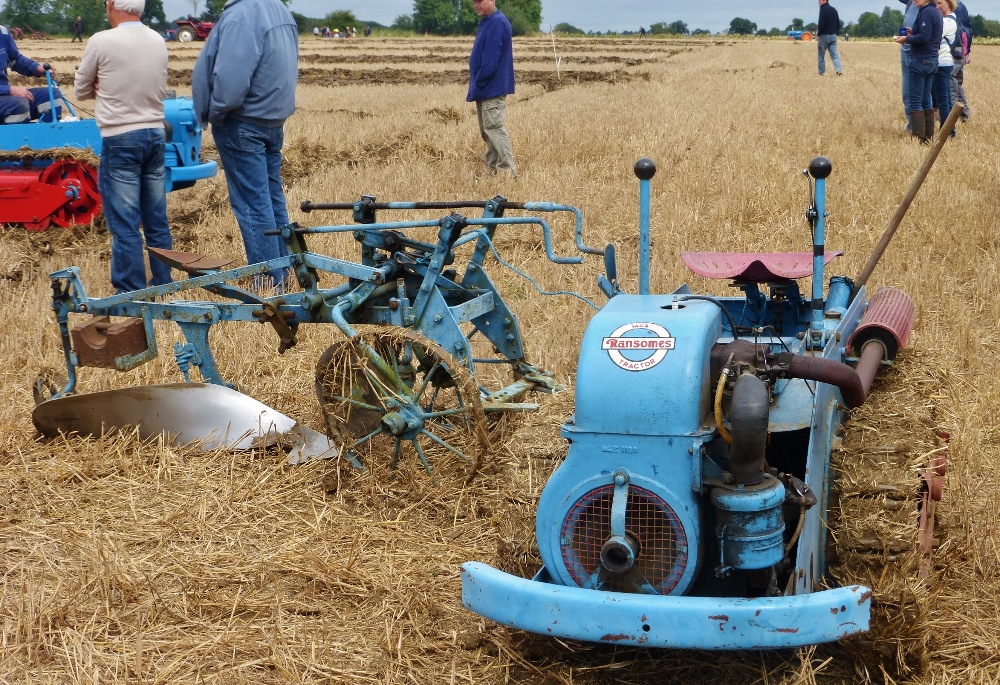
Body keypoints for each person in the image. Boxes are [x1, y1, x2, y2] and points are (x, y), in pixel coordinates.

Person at [192, 0, 298, 290]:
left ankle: (267, 283)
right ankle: (284, 272)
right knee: (272, 198)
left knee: (253, 205)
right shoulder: (279, 10)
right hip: (271, 121)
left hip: (243, 122)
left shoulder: (240, 16)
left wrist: (216, 114)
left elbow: (230, 81)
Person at [74, 0, 172, 294]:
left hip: (121, 138)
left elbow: (80, 89)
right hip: (155, 134)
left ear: (113, 5)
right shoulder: (158, 40)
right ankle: (163, 283)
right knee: (156, 217)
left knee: (125, 222)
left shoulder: (101, 41)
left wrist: (101, 85)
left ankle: (130, 291)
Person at [467, 0, 516, 177]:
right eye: (474, 1)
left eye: (480, 1)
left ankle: (506, 172)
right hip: (485, 88)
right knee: (487, 131)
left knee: (494, 129)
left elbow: (490, 61)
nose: (476, 4)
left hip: (491, 88)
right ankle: (493, 168)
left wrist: (479, 81)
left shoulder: (496, 22)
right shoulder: (488, 21)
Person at [894, 0, 942, 142]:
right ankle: (928, 136)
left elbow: (925, 37)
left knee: (915, 100)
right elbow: (928, 33)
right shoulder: (936, 12)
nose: (914, 0)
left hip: (920, 60)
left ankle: (918, 137)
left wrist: (907, 39)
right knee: (926, 99)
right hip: (932, 59)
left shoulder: (926, 12)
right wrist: (913, 32)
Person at [0, 26, 65, 124]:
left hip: (4, 96)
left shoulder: (3, 32)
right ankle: (17, 138)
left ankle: (48, 137)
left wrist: (36, 68)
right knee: (18, 104)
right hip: (4, 93)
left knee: (52, 95)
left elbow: (15, 60)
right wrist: (8, 90)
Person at [932, 0, 957, 137]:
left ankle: (947, 132)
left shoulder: (948, 22)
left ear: (949, 3)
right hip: (944, 63)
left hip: (942, 63)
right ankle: (949, 131)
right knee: (945, 99)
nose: (937, 6)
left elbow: (933, 35)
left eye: (940, 3)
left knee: (943, 100)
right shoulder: (949, 20)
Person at [898, 0, 920, 129]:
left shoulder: (930, 6)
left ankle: (920, 127)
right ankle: (912, 124)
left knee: (920, 92)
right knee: (906, 93)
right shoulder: (911, 3)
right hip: (905, 50)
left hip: (919, 53)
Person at [951, 0, 971, 121]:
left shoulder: (953, 6)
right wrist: (966, 51)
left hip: (953, 51)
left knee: (951, 85)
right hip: (960, 51)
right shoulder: (961, 5)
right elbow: (967, 29)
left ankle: (951, 117)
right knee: (957, 84)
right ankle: (965, 115)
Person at [817, 0, 843, 76]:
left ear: (825, 0)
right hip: (833, 35)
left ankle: (822, 72)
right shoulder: (834, 9)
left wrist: (819, 33)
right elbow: (838, 23)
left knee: (821, 56)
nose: (818, 2)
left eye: (820, 0)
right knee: (834, 55)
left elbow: (821, 23)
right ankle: (839, 70)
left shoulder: (823, 10)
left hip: (824, 35)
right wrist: (836, 33)